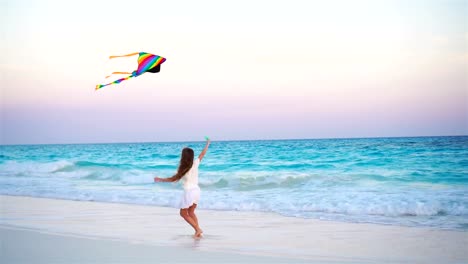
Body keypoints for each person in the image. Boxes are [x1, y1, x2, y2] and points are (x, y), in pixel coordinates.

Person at [154, 139, 211, 238]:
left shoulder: (184, 168)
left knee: (183, 213)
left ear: (183, 157)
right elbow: (202, 154)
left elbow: (173, 179)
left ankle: (197, 229)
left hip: (189, 192)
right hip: (197, 191)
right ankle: (197, 232)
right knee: (191, 212)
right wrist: (207, 144)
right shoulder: (195, 163)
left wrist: (160, 179)